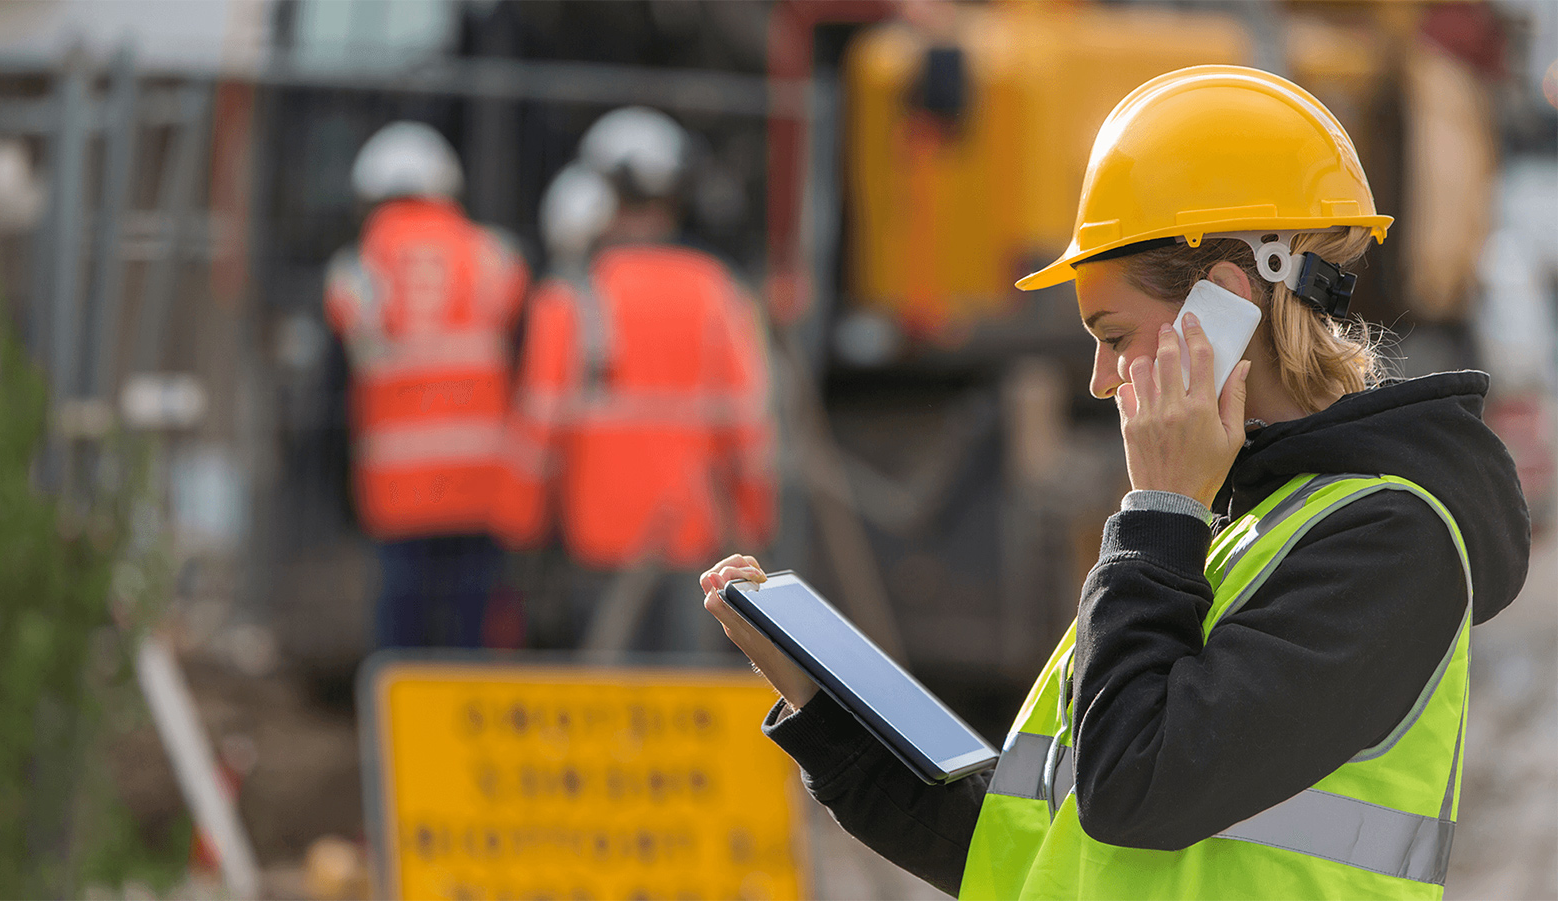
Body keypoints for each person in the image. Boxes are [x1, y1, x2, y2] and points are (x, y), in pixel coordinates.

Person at [701, 66, 1530, 899]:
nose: (1099, 378)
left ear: (1224, 305)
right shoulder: (1228, 533)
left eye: (1113, 332)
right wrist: (824, 710)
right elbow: (1024, 857)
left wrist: (1163, 510)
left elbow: (1130, 787)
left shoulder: (1388, 542)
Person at [504, 108, 776, 653]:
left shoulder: (568, 300)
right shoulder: (718, 292)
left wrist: (519, 532)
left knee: (608, 696)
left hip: (598, 538)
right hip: (692, 538)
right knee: (681, 696)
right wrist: (751, 522)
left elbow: (537, 432)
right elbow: (748, 427)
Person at [325, 121, 530, 649]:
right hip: (484, 482)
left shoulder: (355, 272)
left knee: (403, 635)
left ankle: (398, 729)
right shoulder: (496, 258)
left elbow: (337, 384)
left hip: (399, 490)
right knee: (473, 633)